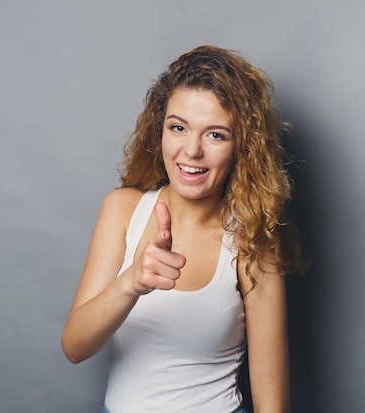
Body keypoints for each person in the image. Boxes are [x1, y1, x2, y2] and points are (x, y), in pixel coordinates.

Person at [61, 45, 303, 413]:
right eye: (179, 127)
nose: (191, 150)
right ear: (159, 132)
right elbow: (75, 348)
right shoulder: (123, 210)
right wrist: (132, 282)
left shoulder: (254, 243)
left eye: (216, 135)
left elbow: (273, 406)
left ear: (242, 148)